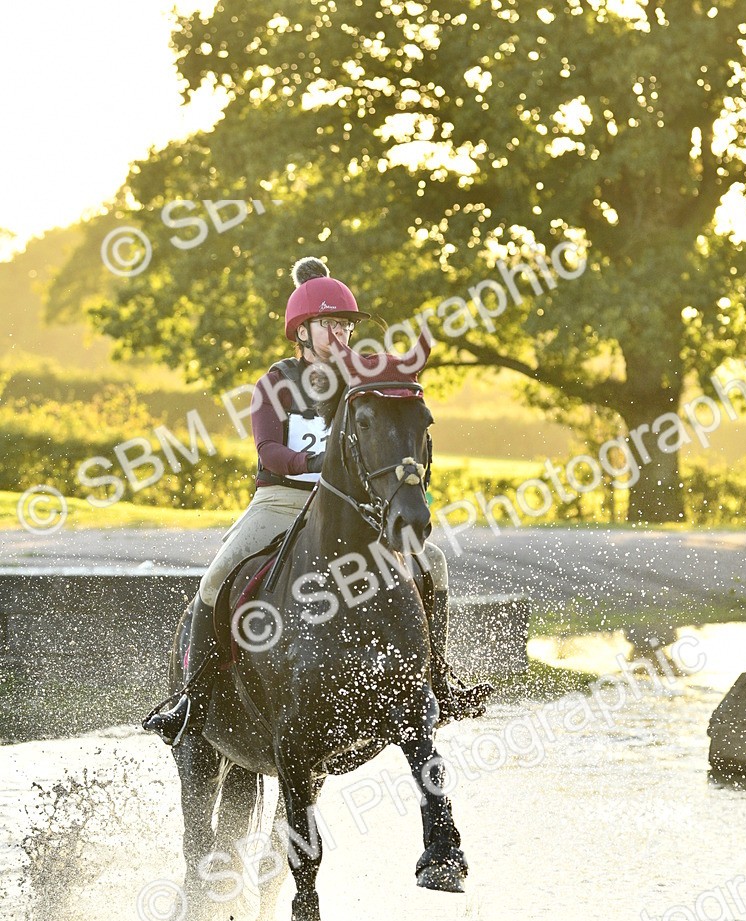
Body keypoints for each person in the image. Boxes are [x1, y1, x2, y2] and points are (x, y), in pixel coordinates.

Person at [144, 257, 490, 746]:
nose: (340, 335)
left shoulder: (362, 380)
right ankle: (192, 700)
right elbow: (268, 452)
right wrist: (316, 463)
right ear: (302, 332)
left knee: (431, 561)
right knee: (219, 574)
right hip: (283, 500)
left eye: (345, 325)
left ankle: (437, 681)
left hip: (350, 507)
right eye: (329, 325)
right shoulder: (277, 383)